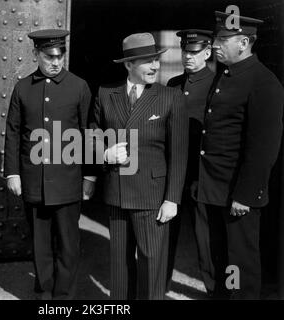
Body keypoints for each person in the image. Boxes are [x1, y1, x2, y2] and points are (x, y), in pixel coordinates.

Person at [87, 33, 188, 299]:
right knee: (119, 264)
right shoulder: (106, 93)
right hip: (117, 192)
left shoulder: (170, 96)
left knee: (152, 262)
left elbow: (178, 153)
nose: (155, 66)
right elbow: (93, 132)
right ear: (128, 65)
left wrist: (172, 199)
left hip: (152, 195)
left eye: (156, 59)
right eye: (147, 61)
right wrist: (105, 154)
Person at [195, 11, 284, 299]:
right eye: (216, 38)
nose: (216, 45)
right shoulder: (225, 76)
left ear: (244, 42)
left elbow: (263, 147)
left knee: (239, 264)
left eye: (223, 39)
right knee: (220, 258)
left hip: (238, 193)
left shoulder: (263, 82)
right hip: (215, 188)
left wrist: (245, 195)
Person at [4, 29, 92, 300]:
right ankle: (43, 293)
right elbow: (13, 133)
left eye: (60, 56)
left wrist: (89, 177)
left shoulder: (79, 86)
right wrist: (12, 173)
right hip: (34, 181)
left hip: (67, 180)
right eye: (49, 56)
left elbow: (89, 133)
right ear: (36, 54)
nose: (56, 62)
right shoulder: (22, 87)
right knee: (40, 244)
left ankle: (63, 297)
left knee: (68, 245)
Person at [166, 29, 215, 295]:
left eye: (194, 52)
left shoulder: (217, 84)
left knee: (205, 236)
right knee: (165, 234)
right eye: (185, 51)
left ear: (207, 53)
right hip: (174, 172)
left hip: (201, 173)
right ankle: (157, 287)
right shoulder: (173, 84)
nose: (188, 56)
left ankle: (214, 290)